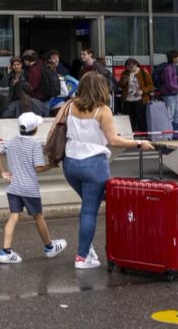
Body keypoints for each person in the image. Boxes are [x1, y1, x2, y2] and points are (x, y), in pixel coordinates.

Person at [56, 72, 155, 269]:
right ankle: (82, 257)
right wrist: (139, 143)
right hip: (93, 165)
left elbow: (54, 129)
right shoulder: (103, 111)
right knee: (89, 211)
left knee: (87, 207)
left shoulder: (68, 105)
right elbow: (114, 141)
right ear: (102, 88)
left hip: (70, 164)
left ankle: (87, 249)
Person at [0, 112, 67, 264]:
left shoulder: (12, 141)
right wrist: (51, 165)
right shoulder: (34, 144)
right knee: (38, 216)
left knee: (14, 216)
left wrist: (3, 172)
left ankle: (5, 251)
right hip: (29, 188)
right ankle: (49, 247)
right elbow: (38, 168)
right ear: (34, 129)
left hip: (13, 187)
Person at [158, 49, 178, 137]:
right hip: (168, 95)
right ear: (174, 58)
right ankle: (170, 132)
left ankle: (176, 130)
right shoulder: (168, 69)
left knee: (177, 113)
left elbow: (174, 78)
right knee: (170, 114)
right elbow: (169, 83)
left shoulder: (172, 67)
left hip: (173, 94)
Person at [119, 58, 153, 135]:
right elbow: (121, 85)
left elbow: (150, 86)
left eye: (132, 66)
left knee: (141, 118)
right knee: (129, 119)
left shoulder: (143, 73)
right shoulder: (125, 73)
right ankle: (131, 135)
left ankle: (144, 135)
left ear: (136, 64)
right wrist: (124, 81)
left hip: (140, 99)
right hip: (128, 100)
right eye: (128, 67)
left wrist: (142, 91)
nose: (130, 68)